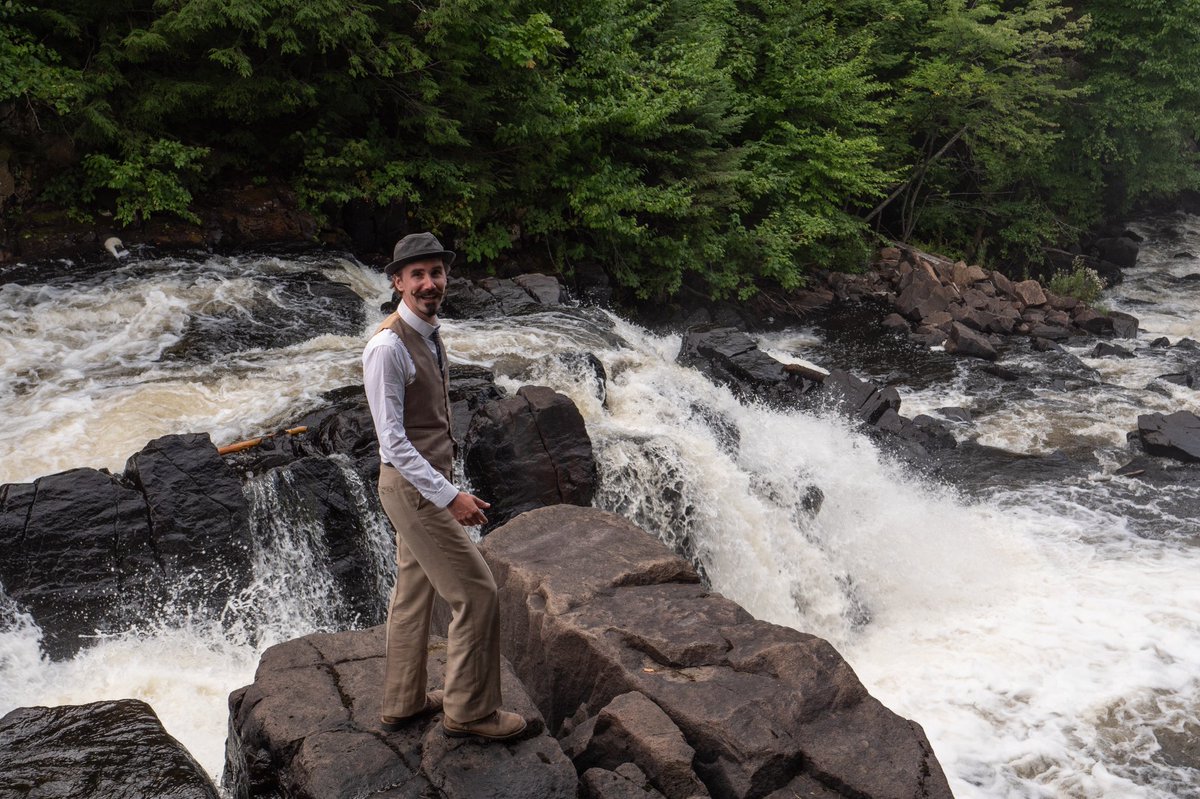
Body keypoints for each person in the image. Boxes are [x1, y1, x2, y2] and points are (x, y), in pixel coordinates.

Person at [362, 231, 526, 741]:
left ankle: (404, 701)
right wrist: (449, 496)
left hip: (420, 486)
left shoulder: (428, 332)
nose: (429, 283)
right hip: (415, 491)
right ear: (397, 282)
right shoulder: (387, 347)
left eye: (436, 273)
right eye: (418, 275)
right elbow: (392, 442)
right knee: (477, 593)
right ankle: (469, 711)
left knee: (413, 594)